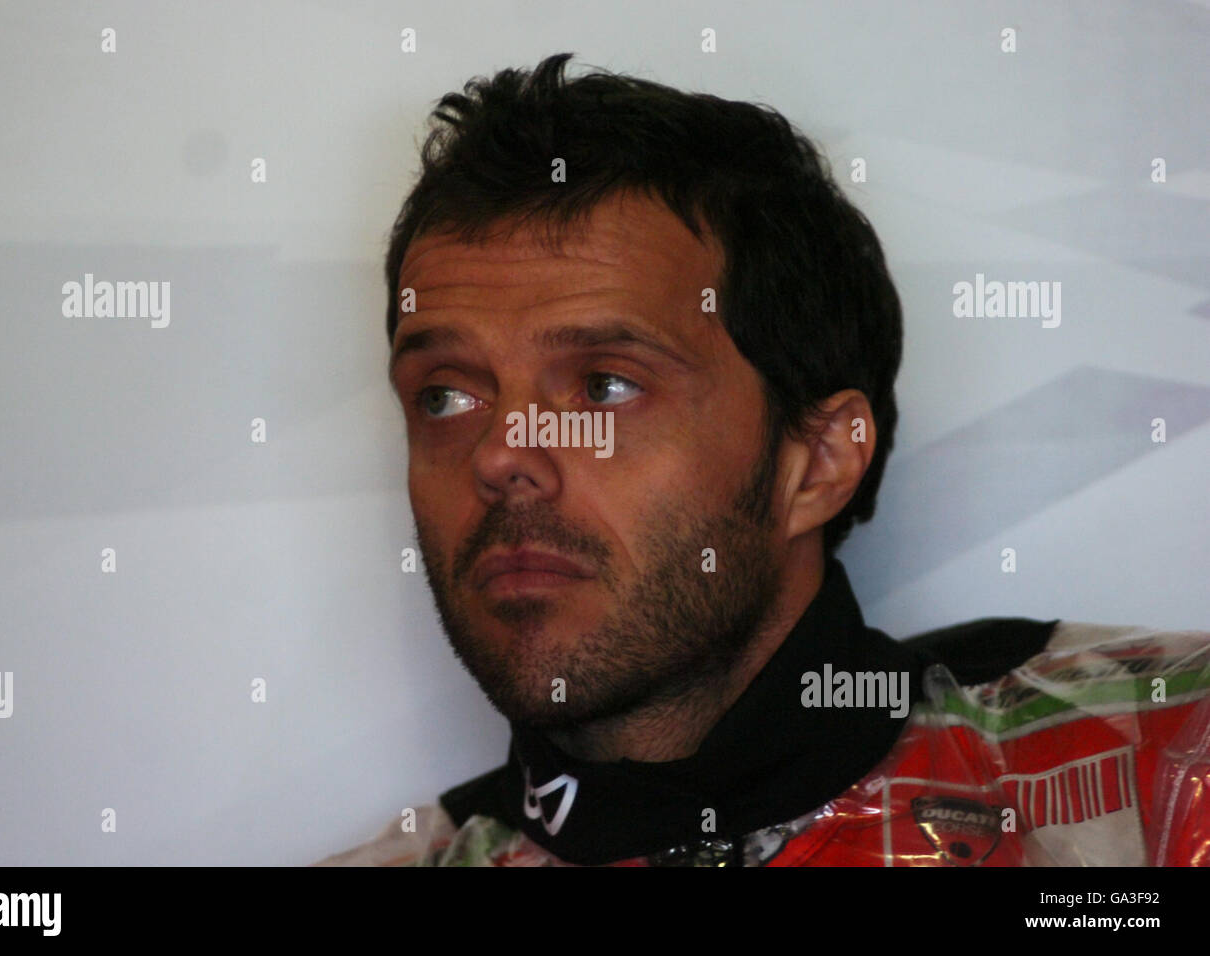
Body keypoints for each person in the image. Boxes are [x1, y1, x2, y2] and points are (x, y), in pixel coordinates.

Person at [318, 53, 1210, 866]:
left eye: (605, 385)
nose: (503, 455)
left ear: (817, 462)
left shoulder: (1167, 757)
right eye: (445, 395)